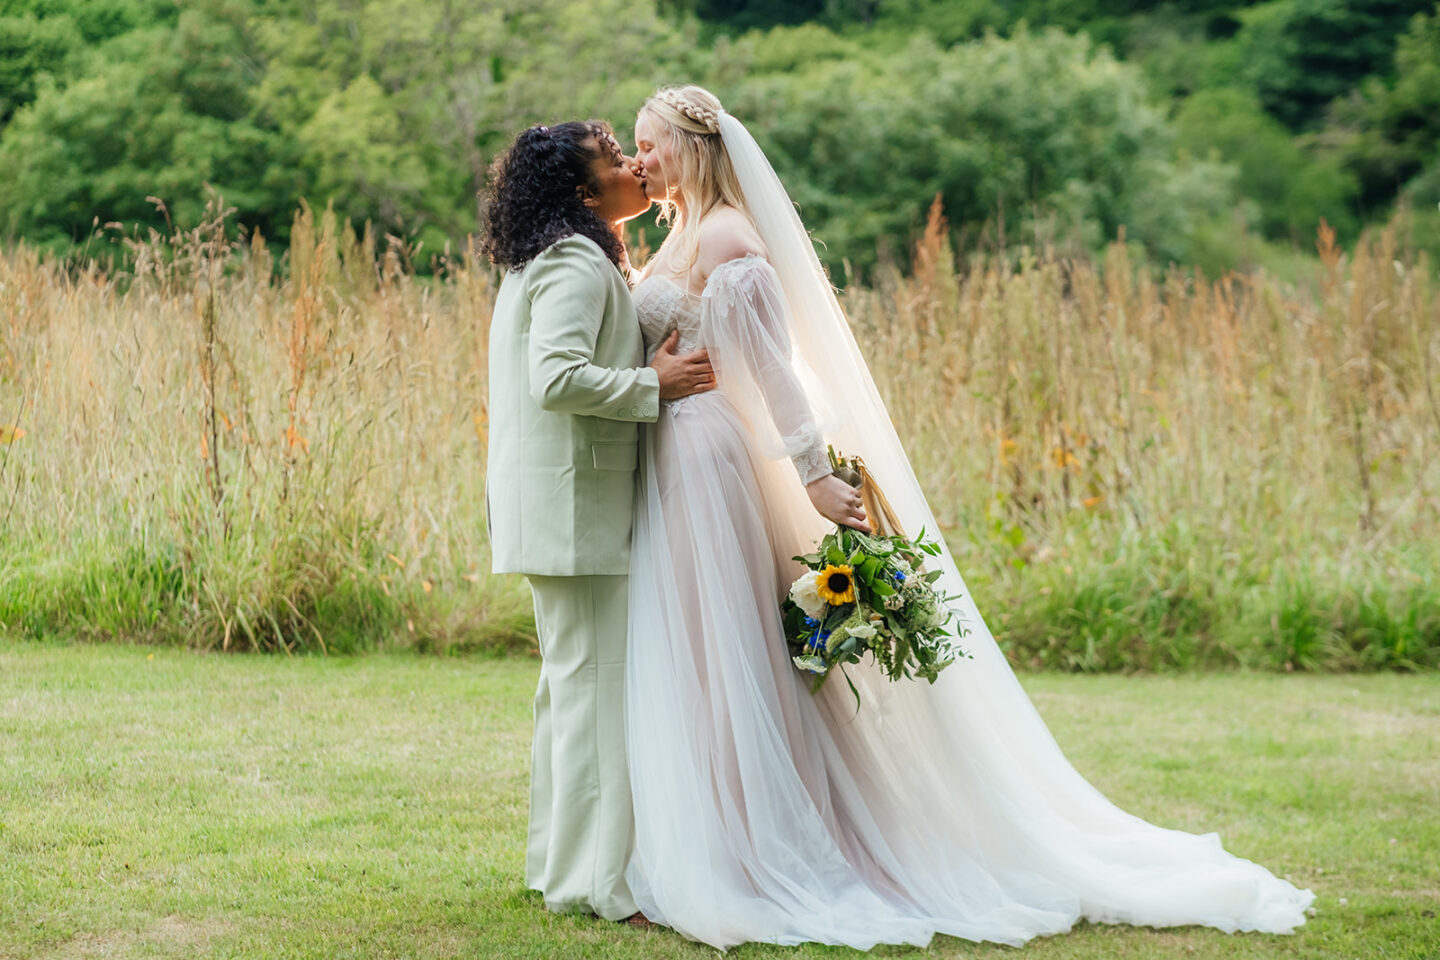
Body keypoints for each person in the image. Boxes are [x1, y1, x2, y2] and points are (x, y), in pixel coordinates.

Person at [621, 85, 1316, 950]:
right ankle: (717, 829)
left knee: (730, 652)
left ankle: (755, 842)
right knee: (701, 649)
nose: (638, 160)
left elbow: (774, 366)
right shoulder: (682, 234)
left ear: (692, 147)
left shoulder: (727, 235)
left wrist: (812, 476)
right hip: (675, 454)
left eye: (648, 144)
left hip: (708, 460)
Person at [480, 120, 714, 925]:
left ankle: (559, 867)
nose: (633, 168)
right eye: (616, 162)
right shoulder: (578, 261)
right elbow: (557, 378)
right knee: (596, 698)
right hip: (576, 509)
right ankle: (596, 886)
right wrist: (654, 382)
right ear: (586, 194)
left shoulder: (553, 255)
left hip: (555, 508)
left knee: (571, 694)